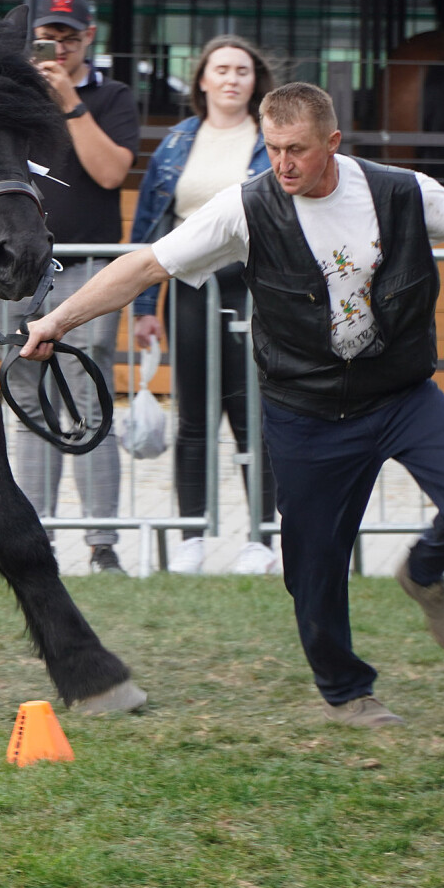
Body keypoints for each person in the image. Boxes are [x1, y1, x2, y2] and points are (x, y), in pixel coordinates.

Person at [19, 82, 444, 727]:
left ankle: (424, 574)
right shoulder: (244, 208)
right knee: (313, 571)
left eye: (297, 149)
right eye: (273, 148)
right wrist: (57, 322)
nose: (283, 163)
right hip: (306, 409)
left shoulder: (400, 192)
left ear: (332, 143)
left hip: (399, 393)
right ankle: (348, 692)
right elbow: (144, 267)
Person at [0, 0, 141, 574]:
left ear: (89, 37)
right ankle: (33, 542)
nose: (58, 48)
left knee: (89, 400)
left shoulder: (113, 96)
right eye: (47, 38)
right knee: (28, 404)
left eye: (69, 38)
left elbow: (111, 173)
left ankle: (102, 544)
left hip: (87, 273)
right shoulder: (13, 95)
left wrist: (71, 102)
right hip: (19, 272)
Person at [128, 35, 278, 576]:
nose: (232, 78)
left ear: (256, 82)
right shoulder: (175, 143)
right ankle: (192, 536)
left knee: (253, 416)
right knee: (193, 417)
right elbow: (149, 227)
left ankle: (261, 539)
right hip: (190, 292)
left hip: (255, 291)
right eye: (222, 69)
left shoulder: (272, 141)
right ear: (203, 80)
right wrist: (144, 305)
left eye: (242, 70)